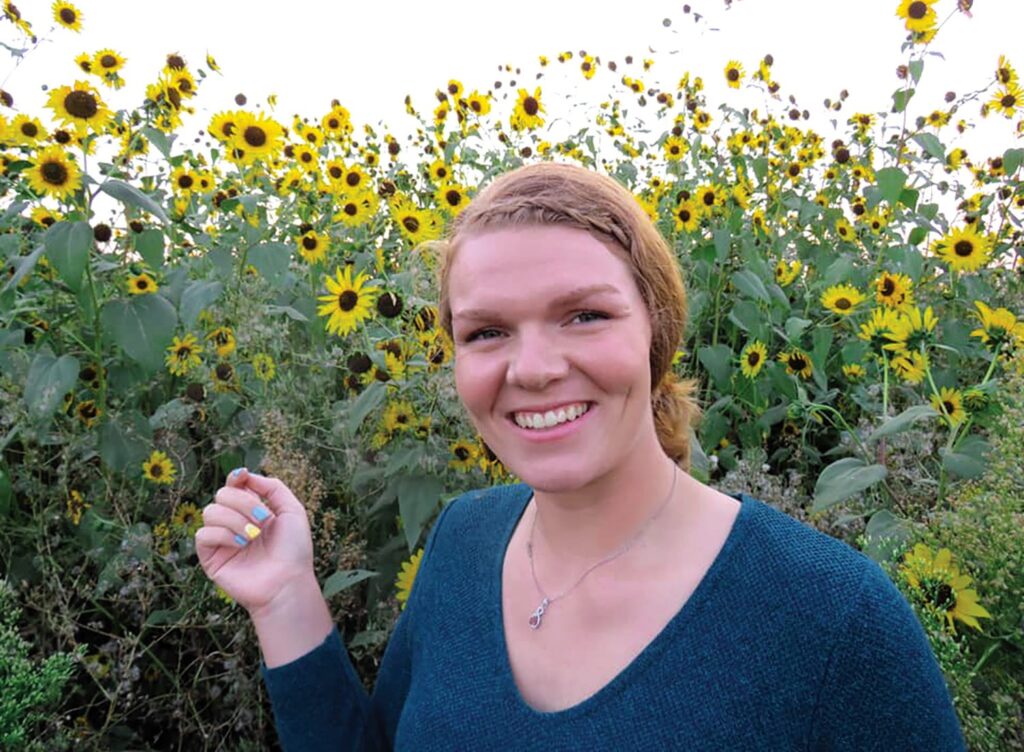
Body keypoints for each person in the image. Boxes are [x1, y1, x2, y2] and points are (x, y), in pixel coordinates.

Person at [197, 162, 966, 750]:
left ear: (656, 333)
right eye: (487, 332)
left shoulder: (832, 621)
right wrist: (286, 598)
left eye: (585, 315)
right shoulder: (465, 539)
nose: (531, 369)